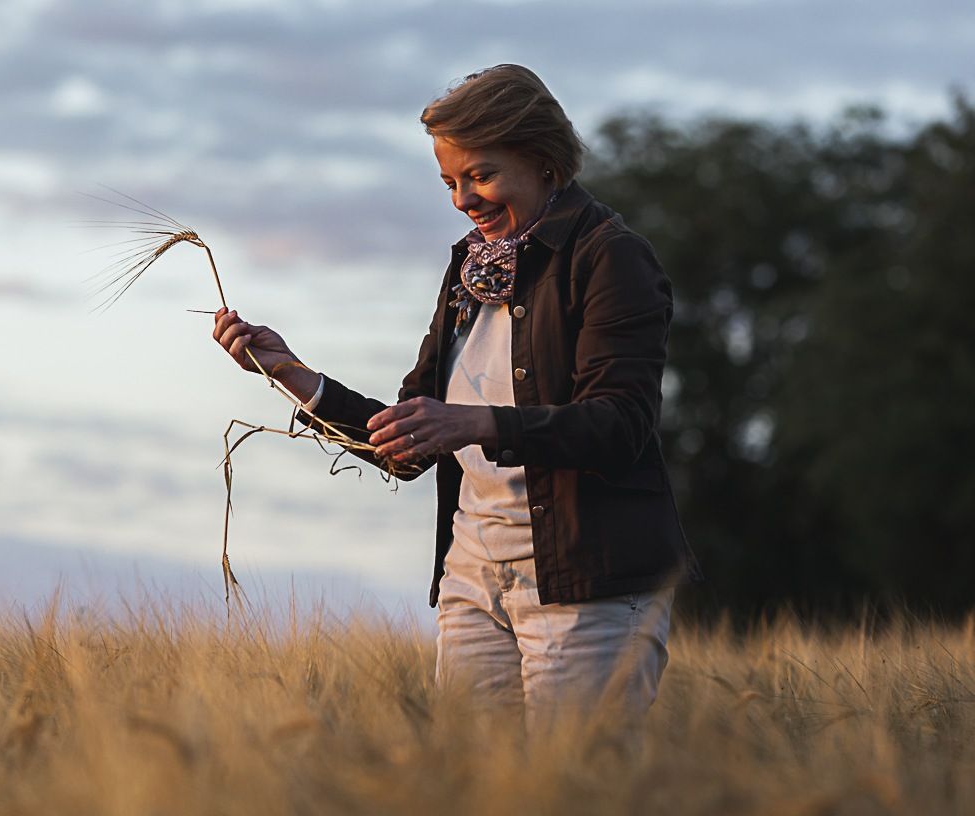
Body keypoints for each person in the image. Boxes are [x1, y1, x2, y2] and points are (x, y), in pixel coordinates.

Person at [212, 64, 702, 733]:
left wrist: (474, 422)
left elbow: (621, 425)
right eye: (449, 181)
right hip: (471, 582)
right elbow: (409, 442)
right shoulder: (469, 274)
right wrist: (289, 372)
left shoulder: (609, 258)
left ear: (543, 160)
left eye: (481, 175)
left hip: (590, 586)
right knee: (473, 789)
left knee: (577, 792)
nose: (463, 199)